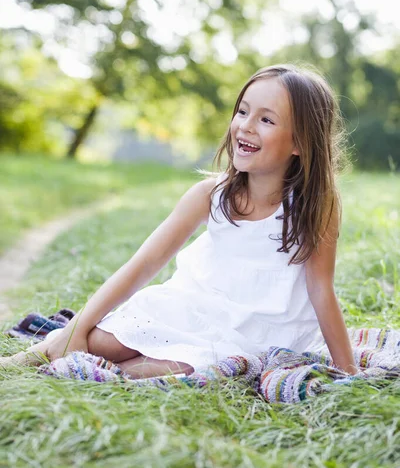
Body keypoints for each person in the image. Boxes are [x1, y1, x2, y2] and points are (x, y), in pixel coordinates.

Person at [0, 64, 357, 377]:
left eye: (266, 119)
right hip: (192, 306)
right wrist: (78, 328)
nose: (245, 127)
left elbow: (320, 289)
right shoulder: (210, 195)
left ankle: (87, 371)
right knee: (98, 340)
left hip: (259, 329)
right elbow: (143, 264)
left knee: (184, 367)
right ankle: (41, 353)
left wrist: (348, 370)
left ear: (300, 142)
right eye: (243, 112)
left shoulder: (315, 207)